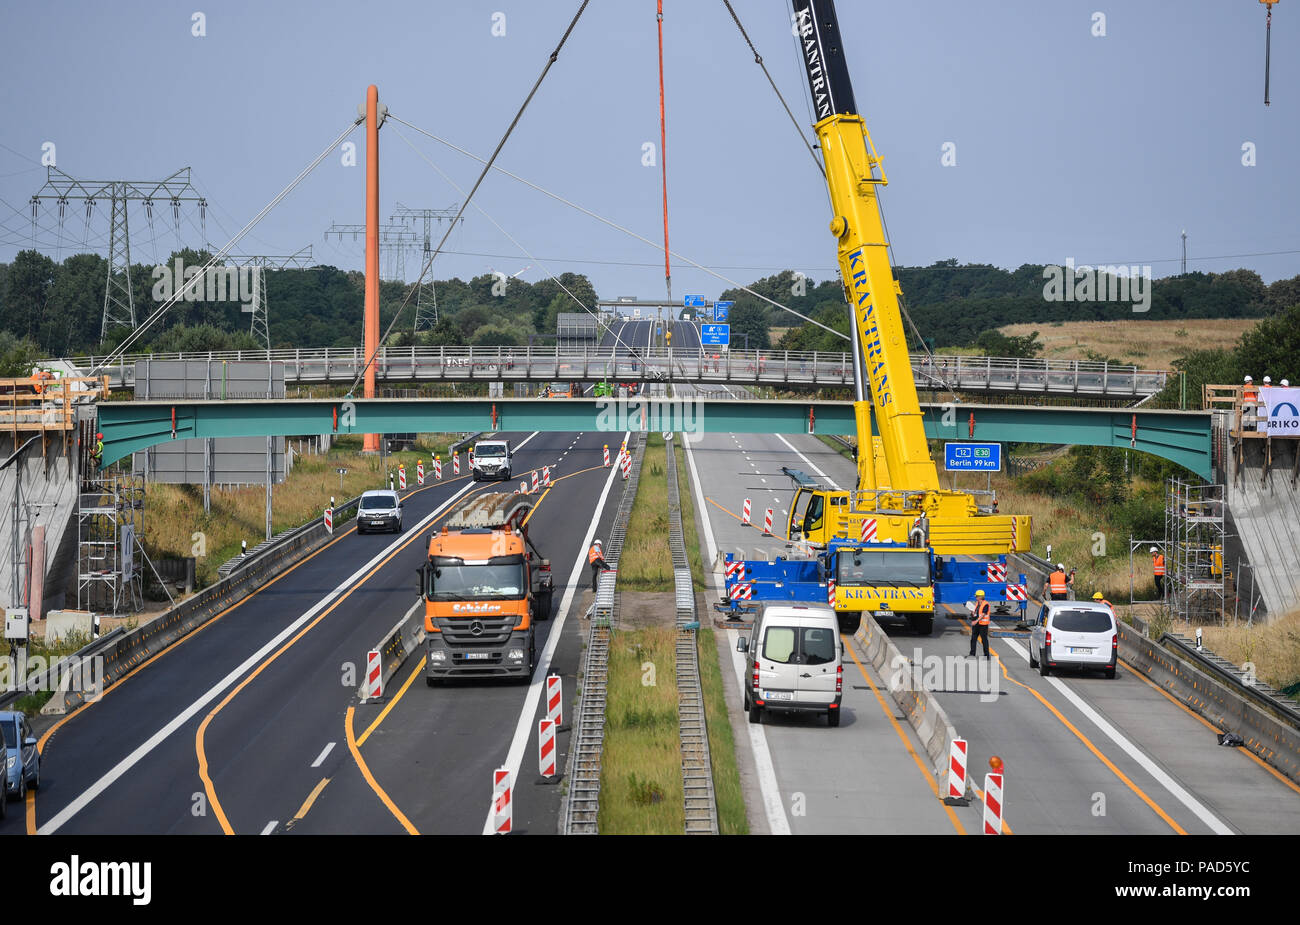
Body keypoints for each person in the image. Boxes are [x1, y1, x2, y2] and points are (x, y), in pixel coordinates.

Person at [969, 589, 991, 658]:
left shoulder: (986, 604)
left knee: (984, 640)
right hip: (977, 625)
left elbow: (983, 614)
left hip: (983, 625)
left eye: (976, 596)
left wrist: (975, 621)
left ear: (980, 597)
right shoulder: (977, 604)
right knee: (973, 639)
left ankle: (986, 655)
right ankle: (972, 654)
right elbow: (978, 613)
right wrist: (973, 614)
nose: (976, 598)